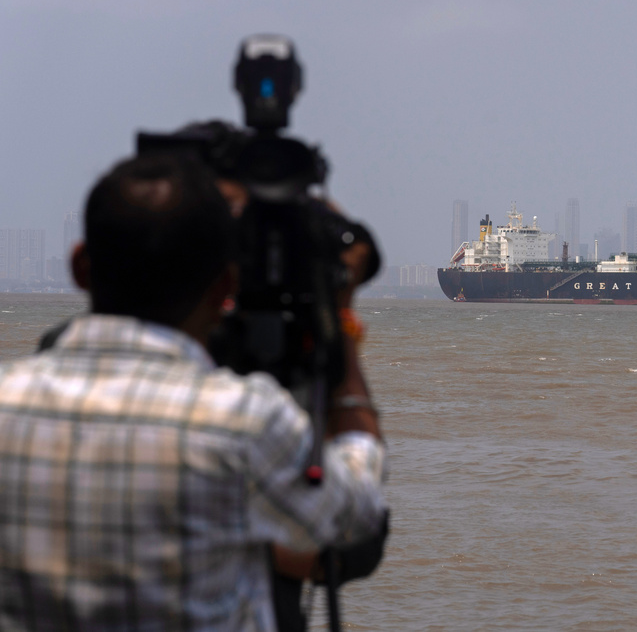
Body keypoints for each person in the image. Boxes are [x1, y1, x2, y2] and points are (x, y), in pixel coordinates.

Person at [0, 151, 386, 630]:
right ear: (225, 284)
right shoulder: (243, 419)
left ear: (80, 266)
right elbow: (354, 517)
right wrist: (339, 324)